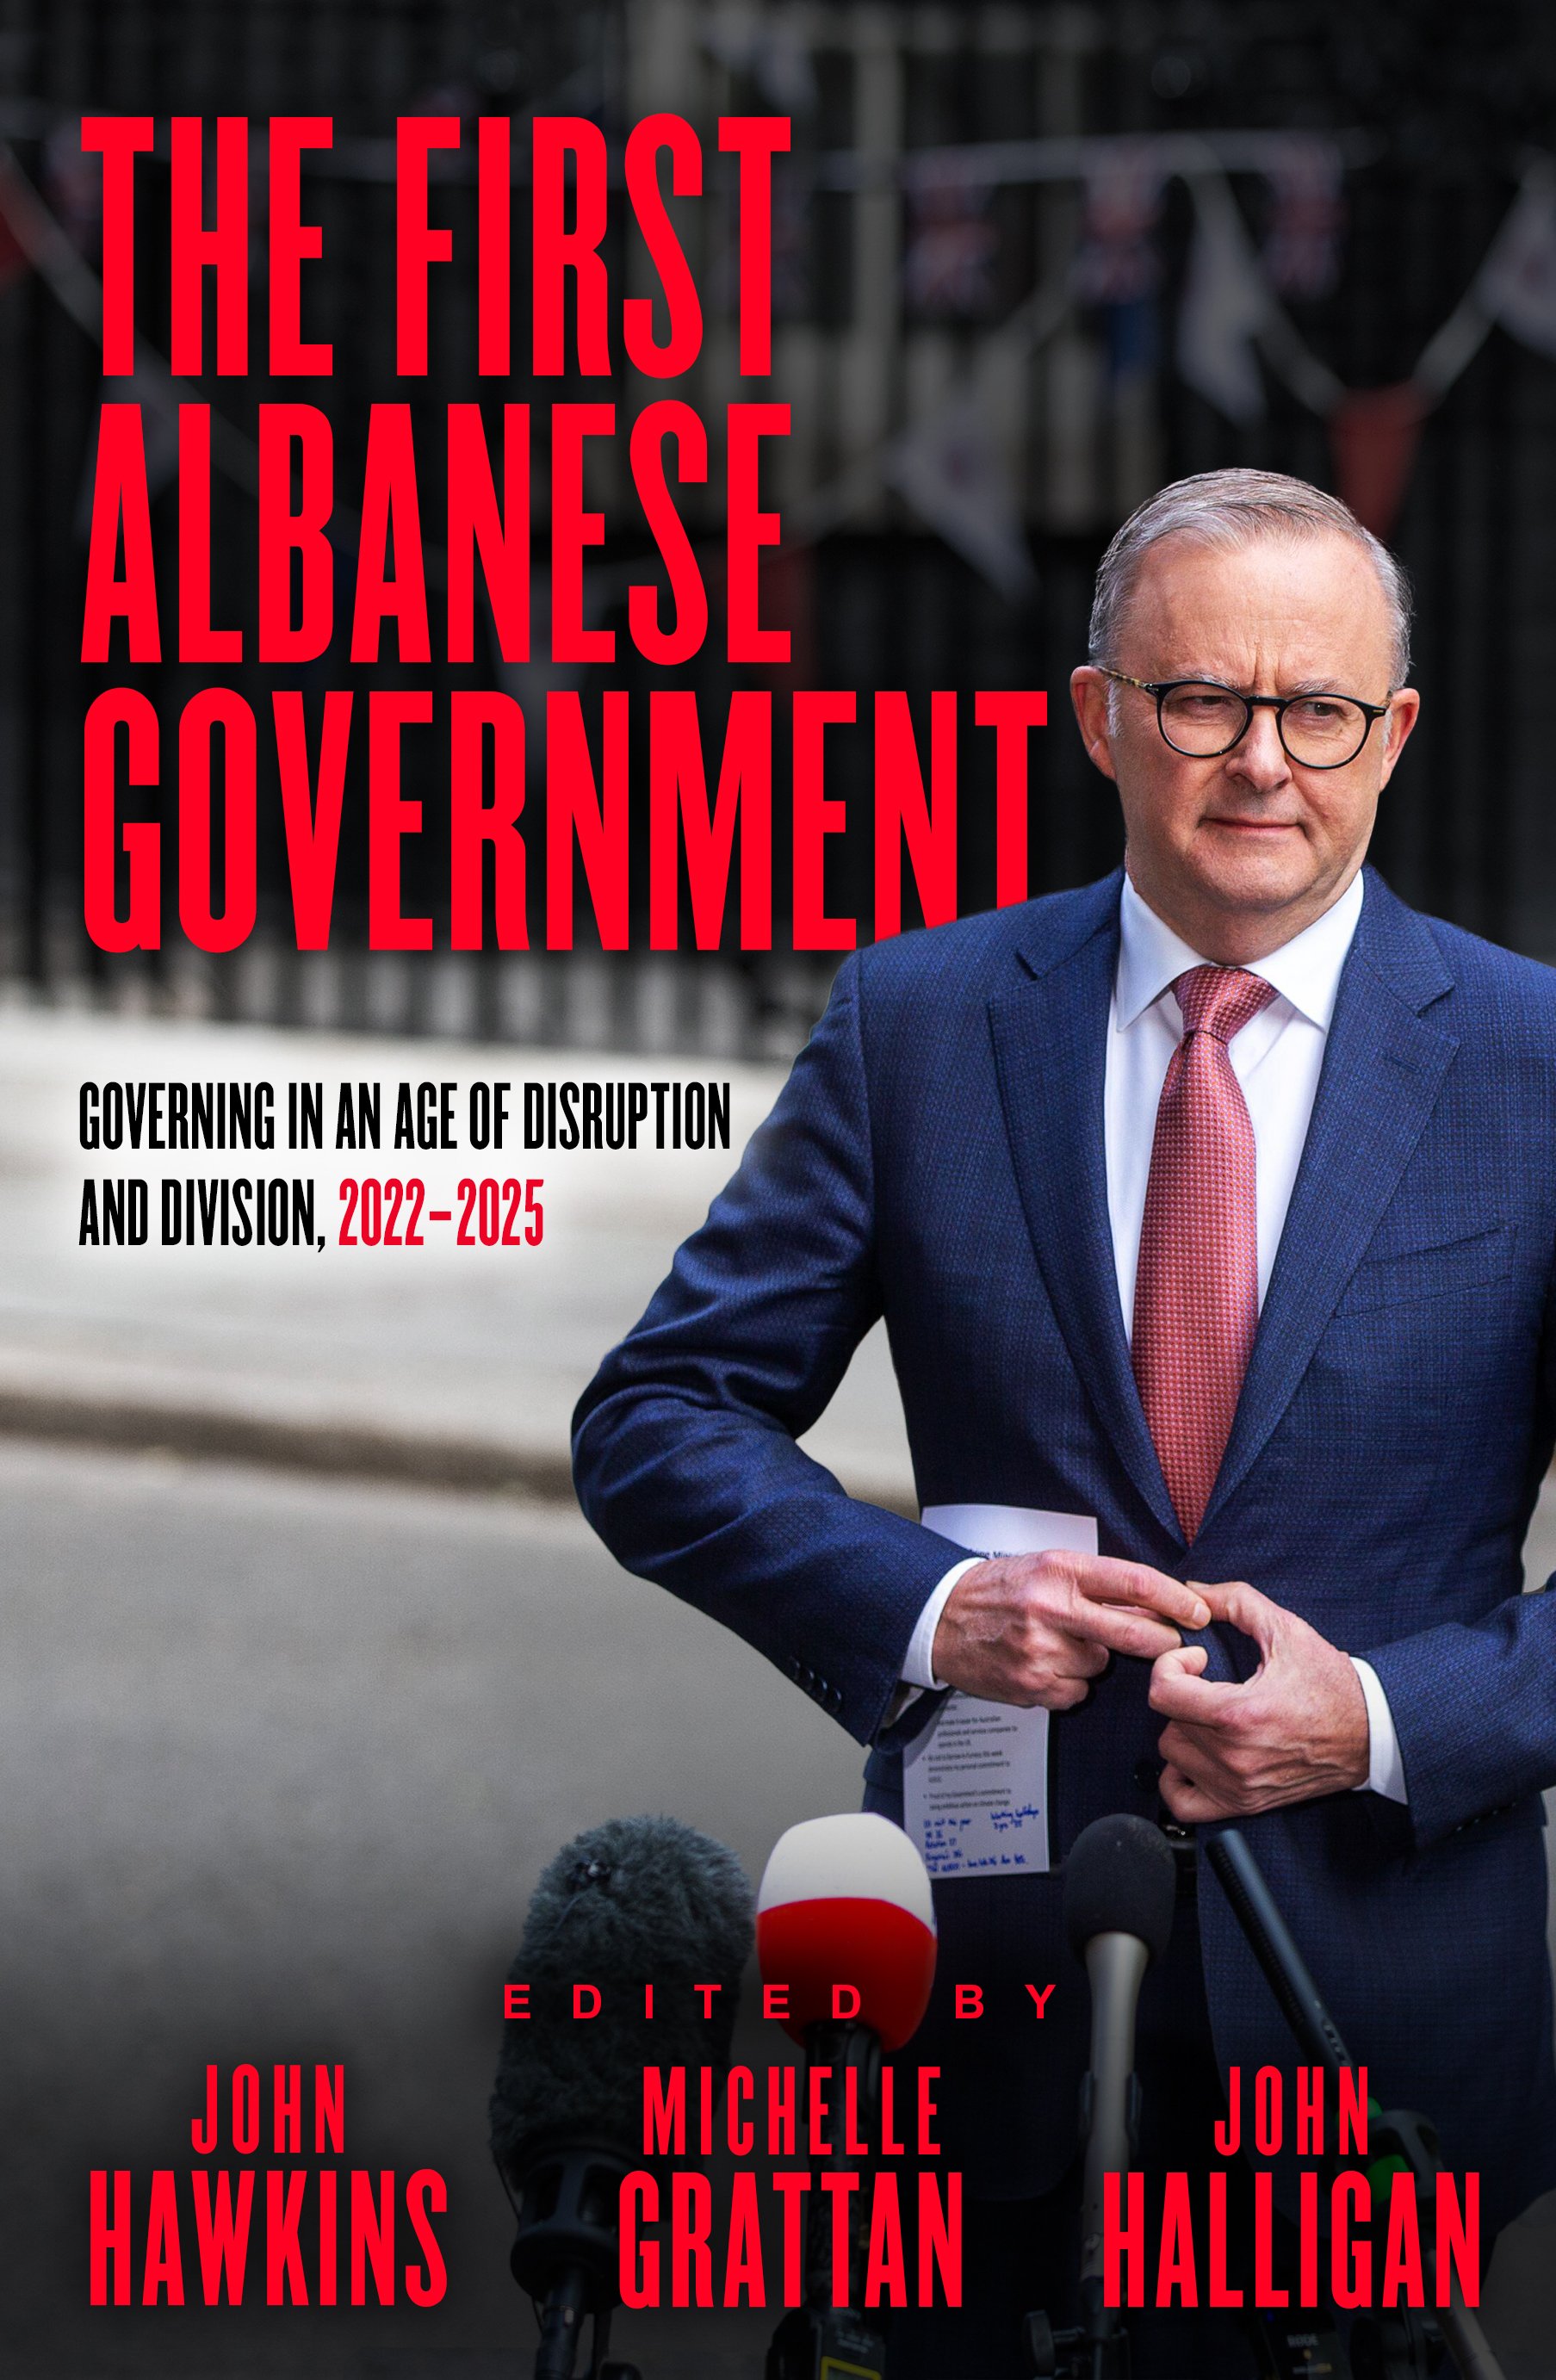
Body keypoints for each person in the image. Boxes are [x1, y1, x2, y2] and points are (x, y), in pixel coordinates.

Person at [572, 470, 1556, 2374]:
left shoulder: (1534, 1065)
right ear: (1099, 712)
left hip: (1370, 2022)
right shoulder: (923, 1021)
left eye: (1318, 711)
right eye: (1201, 702)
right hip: (973, 2007)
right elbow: (658, 1414)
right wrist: (939, 1618)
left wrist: (1372, 1716)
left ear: (1394, 736)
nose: (1262, 760)